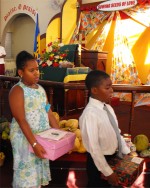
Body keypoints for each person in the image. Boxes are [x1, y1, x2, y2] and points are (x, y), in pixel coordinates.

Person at [9, 50, 59, 188]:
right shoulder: (17, 91)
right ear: (20, 72)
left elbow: (48, 111)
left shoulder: (41, 89)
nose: (36, 73)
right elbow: (21, 120)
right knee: (27, 175)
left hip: (42, 136)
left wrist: (60, 134)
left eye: (37, 69)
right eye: (32, 70)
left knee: (38, 174)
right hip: (25, 138)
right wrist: (34, 144)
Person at [79, 70, 130, 187]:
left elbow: (117, 132)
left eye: (111, 86)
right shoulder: (90, 114)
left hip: (113, 157)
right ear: (94, 90)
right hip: (98, 163)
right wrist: (108, 172)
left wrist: (126, 152)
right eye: (107, 88)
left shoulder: (108, 108)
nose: (111, 90)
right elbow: (94, 148)